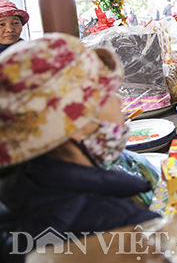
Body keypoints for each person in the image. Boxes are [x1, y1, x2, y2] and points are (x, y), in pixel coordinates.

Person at [0, 34, 159, 260]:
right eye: (108, 94)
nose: (120, 102)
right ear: (74, 122)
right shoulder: (119, 226)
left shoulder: (15, 196)